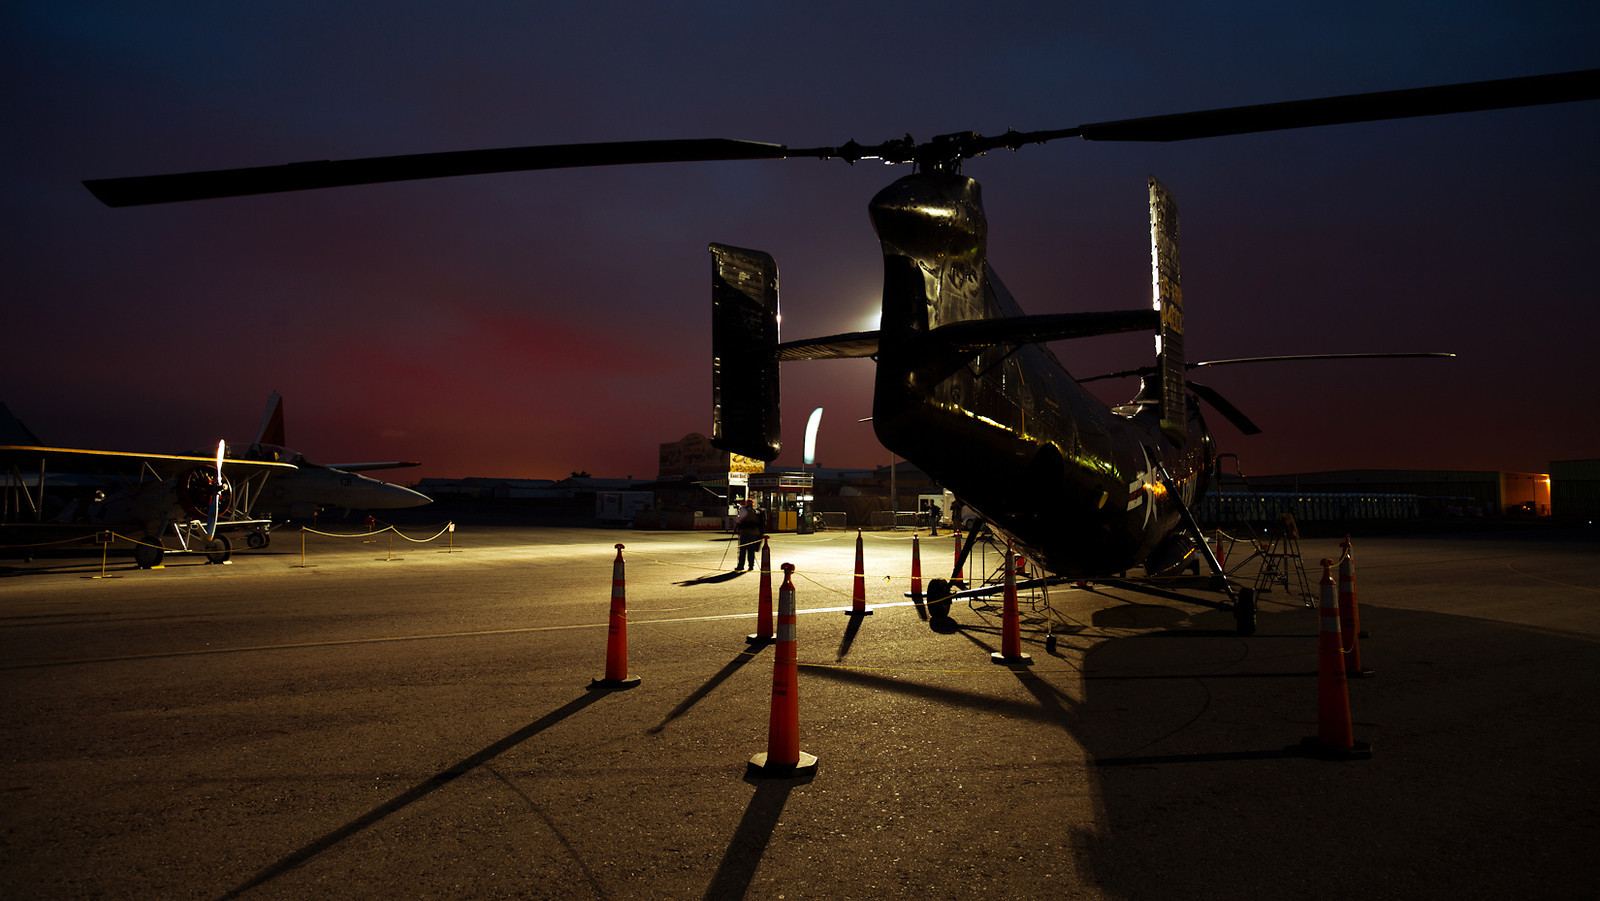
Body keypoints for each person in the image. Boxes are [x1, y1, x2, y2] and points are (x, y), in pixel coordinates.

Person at [734, 498, 764, 571]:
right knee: (751, 550)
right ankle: (751, 566)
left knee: (742, 549)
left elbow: (738, 519)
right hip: (754, 532)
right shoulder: (756, 511)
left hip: (745, 531)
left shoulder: (744, 510)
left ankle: (741, 565)